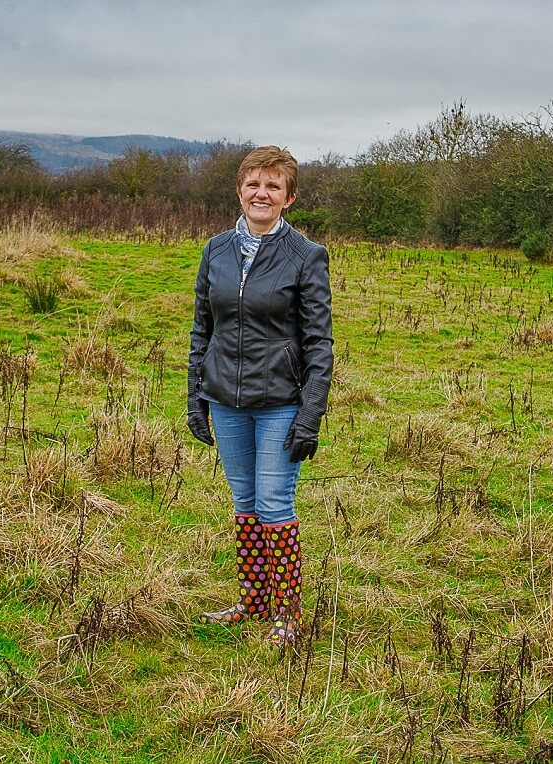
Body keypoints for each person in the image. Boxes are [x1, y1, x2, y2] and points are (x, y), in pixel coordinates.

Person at [187, 146, 333, 647]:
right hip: (225, 400)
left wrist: (310, 415)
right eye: (254, 183)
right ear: (239, 190)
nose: (262, 193)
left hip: (280, 402)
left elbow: (319, 343)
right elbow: (202, 330)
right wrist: (196, 398)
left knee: (273, 503)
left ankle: (287, 614)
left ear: (289, 197)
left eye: (273, 185)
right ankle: (252, 600)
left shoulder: (306, 256)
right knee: (244, 502)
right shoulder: (216, 251)